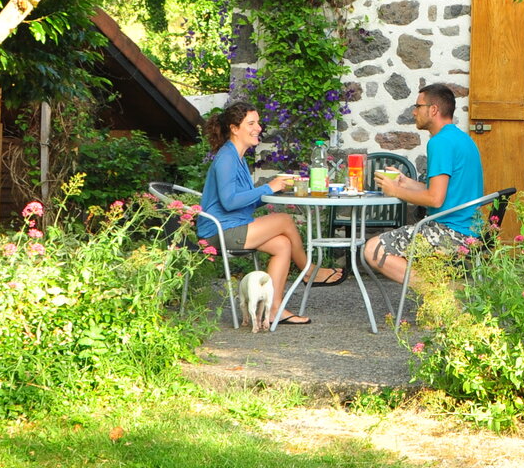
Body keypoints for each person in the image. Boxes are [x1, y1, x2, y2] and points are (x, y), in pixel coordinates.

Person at [200, 101, 345, 326]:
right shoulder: (227, 158)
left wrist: (276, 187)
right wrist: (270, 187)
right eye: (251, 123)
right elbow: (229, 202)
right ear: (234, 128)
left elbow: (242, 202)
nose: (258, 127)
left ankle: (274, 309)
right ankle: (309, 272)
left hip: (234, 224)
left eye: (258, 122)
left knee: (282, 245)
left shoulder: (237, 158)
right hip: (219, 231)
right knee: (285, 219)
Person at [366, 83, 487, 283]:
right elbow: (443, 191)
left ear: (433, 110)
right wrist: (405, 182)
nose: (414, 112)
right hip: (470, 230)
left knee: (373, 249)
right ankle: (441, 294)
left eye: (418, 106)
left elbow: (435, 199)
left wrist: (395, 190)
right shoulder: (461, 139)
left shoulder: (440, 142)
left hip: (451, 233)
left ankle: (440, 297)